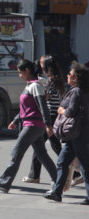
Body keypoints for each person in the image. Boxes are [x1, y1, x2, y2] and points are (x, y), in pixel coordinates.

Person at [0, 59, 57, 193]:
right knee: (42, 155)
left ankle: (4, 183)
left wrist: (48, 125)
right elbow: (25, 109)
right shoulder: (30, 85)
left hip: (33, 126)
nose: (19, 75)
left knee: (16, 152)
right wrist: (15, 121)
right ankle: (58, 182)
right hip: (33, 125)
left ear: (27, 71)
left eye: (20, 72)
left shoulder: (36, 86)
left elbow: (43, 107)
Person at [43, 61, 89, 205]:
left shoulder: (76, 91)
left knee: (84, 165)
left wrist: (61, 110)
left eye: (70, 74)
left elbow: (70, 112)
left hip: (77, 133)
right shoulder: (86, 90)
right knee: (62, 162)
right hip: (78, 133)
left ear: (77, 78)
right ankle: (57, 193)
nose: (67, 76)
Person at [22, 55, 65, 183]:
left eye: (41, 63)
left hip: (50, 116)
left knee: (39, 145)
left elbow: (46, 98)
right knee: (54, 146)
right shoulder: (57, 79)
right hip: (54, 115)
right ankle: (74, 173)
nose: (39, 64)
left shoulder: (51, 80)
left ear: (46, 65)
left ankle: (34, 175)